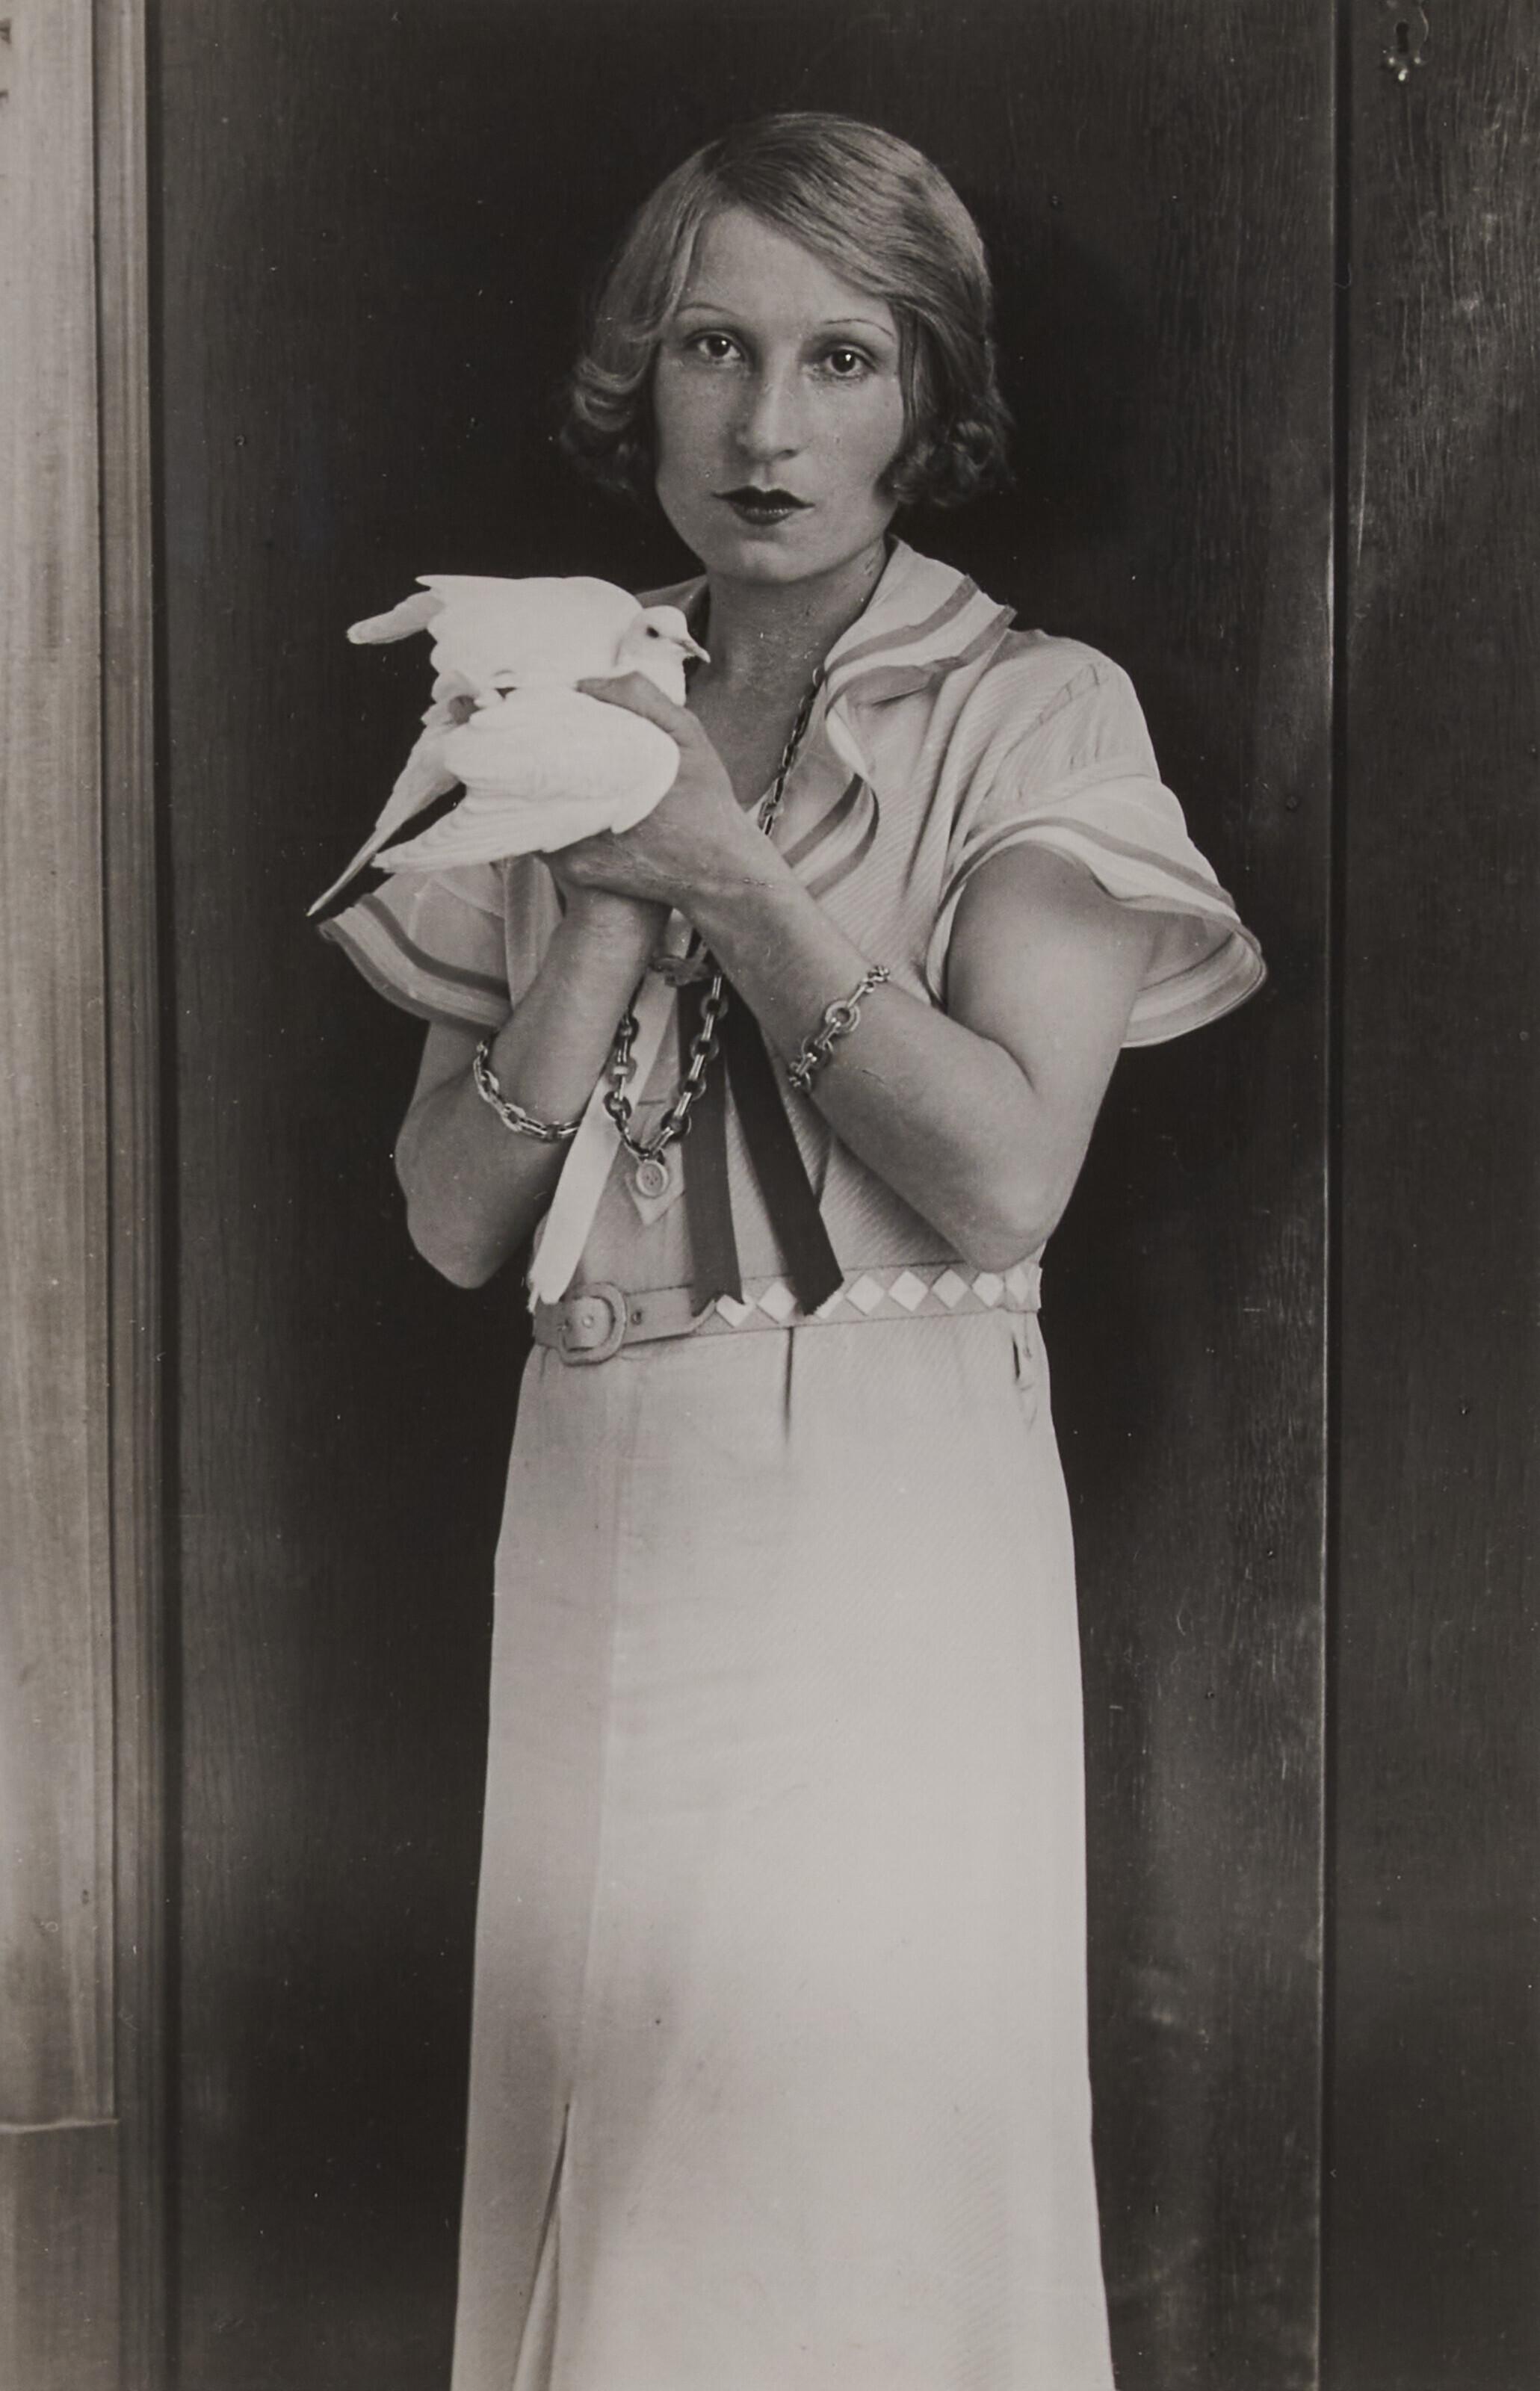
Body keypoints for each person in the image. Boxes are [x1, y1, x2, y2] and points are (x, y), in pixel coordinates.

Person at [321, 111, 1263, 2391]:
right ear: (635, 382)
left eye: (843, 358)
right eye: (713, 348)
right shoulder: (542, 687)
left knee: (826, 2158)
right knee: (606, 2127)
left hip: (882, 1495)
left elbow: (1007, 1174)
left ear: (927, 400)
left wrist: (724, 862)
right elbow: (458, 1220)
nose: (767, 425)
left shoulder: (1040, 709)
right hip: (597, 1475)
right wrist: (602, 881)